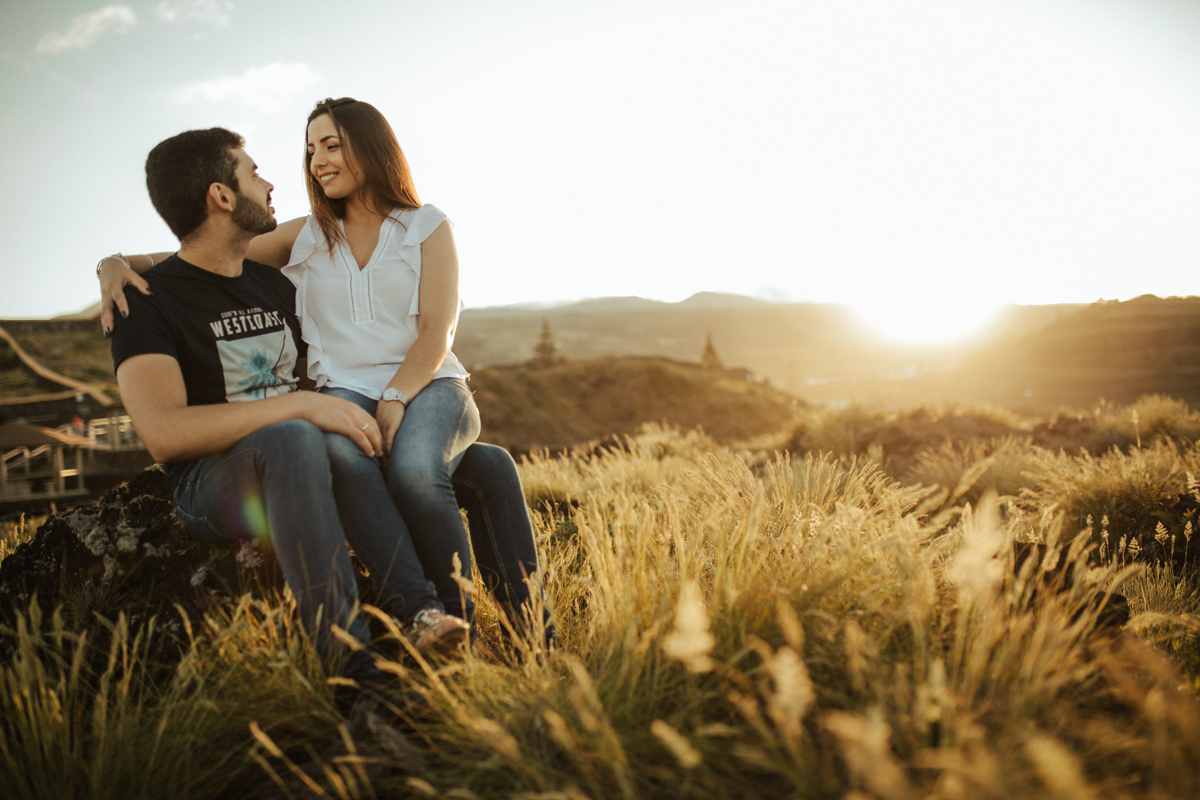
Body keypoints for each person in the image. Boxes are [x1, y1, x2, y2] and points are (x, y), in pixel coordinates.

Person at [101, 101, 554, 647]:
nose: (316, 161)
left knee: (432, 469)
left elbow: (438, 332)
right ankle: (439, 622)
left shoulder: (425, 226)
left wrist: (395, 397)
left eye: (331, 145)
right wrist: (115, 263)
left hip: (428, 386)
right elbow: (201, 249)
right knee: (400, 458)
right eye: (311, 149)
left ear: (371, 146)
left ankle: (496, 627)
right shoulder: (308, 235)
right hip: (342, 397)